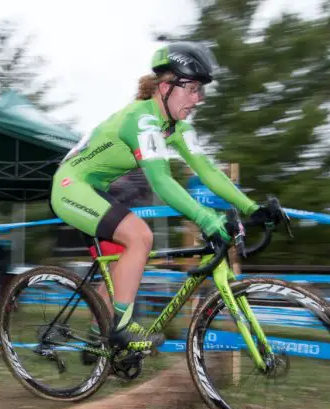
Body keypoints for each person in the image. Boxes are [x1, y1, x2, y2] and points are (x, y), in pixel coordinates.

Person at [50, 41, 279, 352]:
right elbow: (161, 181)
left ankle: (98, 335)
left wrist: (252, 207)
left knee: (123, 264)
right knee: (141, 237)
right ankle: (119, 327)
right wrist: (204, 217)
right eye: (193, 88)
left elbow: (208, 171)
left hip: (96, 189)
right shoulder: (141, 119)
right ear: (166, 86)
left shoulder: (176, 127)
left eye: (202, 91)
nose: (198, 99)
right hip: (70, 186)